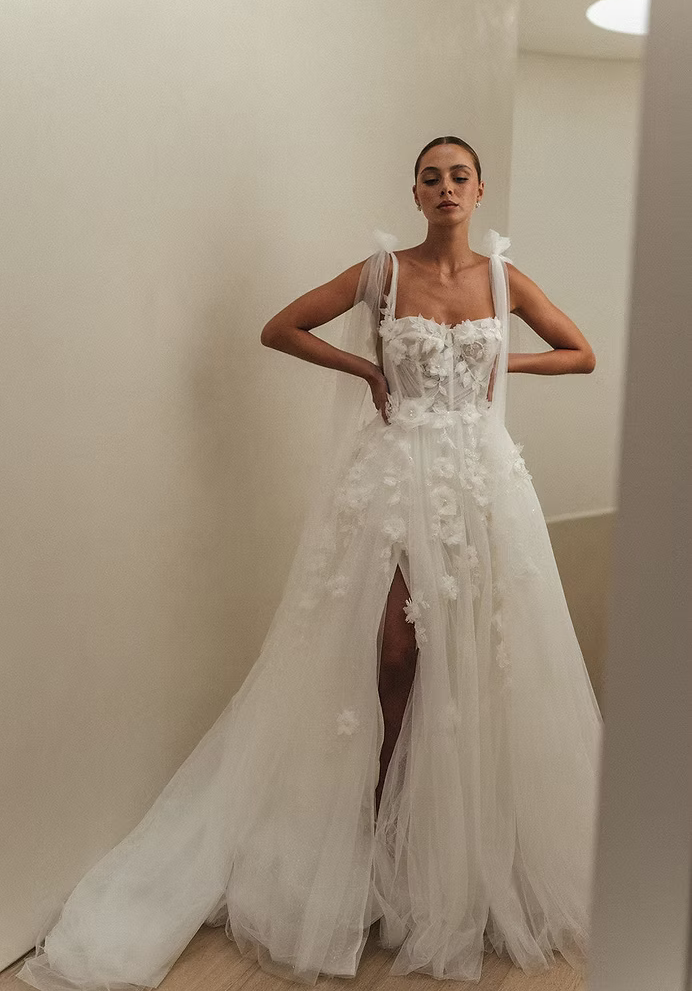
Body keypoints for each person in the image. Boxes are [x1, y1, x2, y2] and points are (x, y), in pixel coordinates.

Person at [17, 136, 603, 991]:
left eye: (459, 177)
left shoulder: (505, 282)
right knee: (393, 658)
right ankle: (367, 843)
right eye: (431, 177)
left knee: (473, 664)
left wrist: (501, 367)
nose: (446, 188)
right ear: (415, 190)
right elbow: (280, 327)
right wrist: (364, 365)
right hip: (396, 478)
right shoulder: (382, 273)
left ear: (480, 191)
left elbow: (581, 350)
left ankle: (444, 866)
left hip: (480, 486)